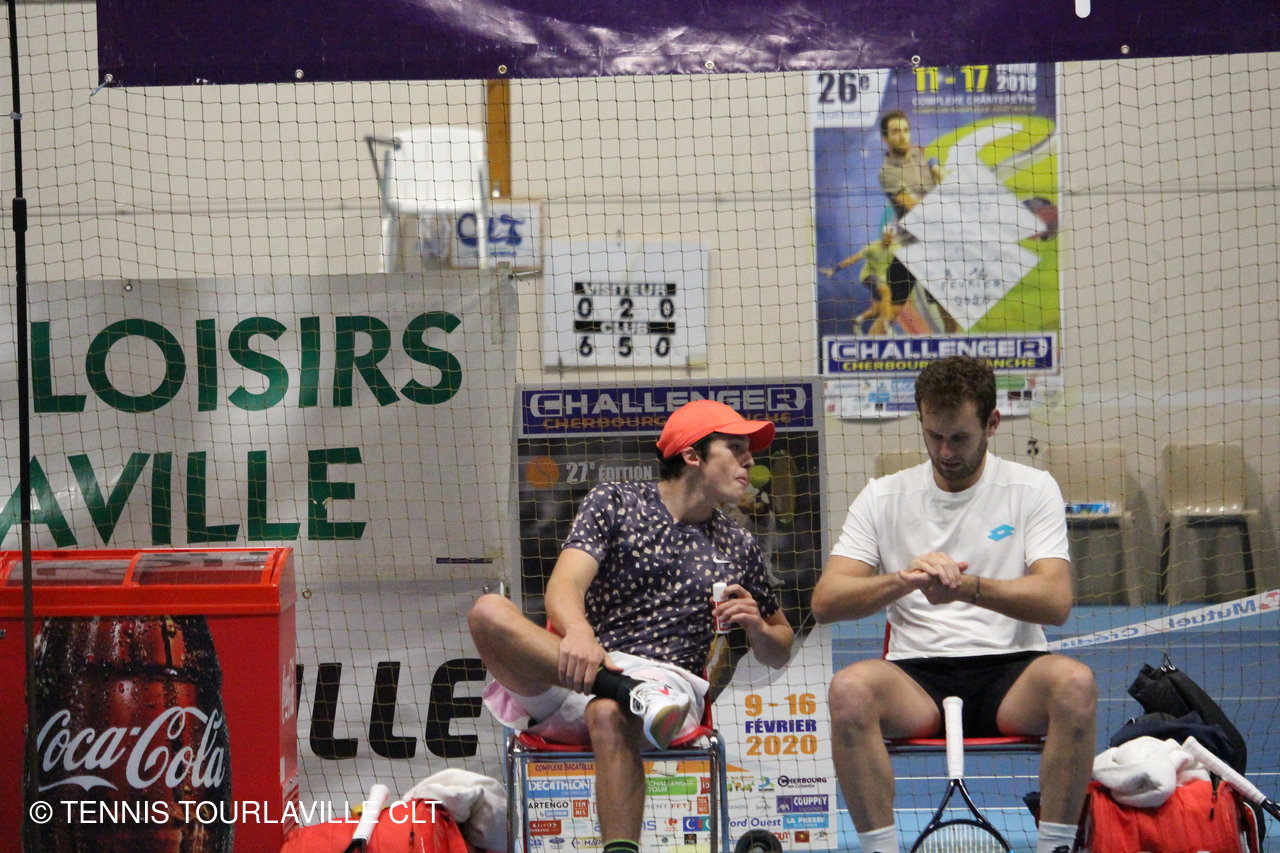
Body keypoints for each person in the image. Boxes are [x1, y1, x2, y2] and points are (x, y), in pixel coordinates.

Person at [470, 399, 795, 853]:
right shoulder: (615, 502)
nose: (750, 462)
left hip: (667, 688)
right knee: (487, 611)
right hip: (584, 669)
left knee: (608, 713)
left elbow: (781, 646)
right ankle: (624, 689)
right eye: (736, 448)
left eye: (749, 451)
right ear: (692, 455)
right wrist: (578, 632)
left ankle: (631, 701)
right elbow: (564, 585)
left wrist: (758, 626)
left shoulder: (738, 544)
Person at [812, 356, 1097, 853]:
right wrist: (904, 580)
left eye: (960, 438)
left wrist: (969, 588)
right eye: (934, 435)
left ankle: (1055, 848)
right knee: (849, 690)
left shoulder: (1032, 489)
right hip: (915, 681)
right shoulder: (882, 496)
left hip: (1013, 675)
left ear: (992, 423)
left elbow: (1055, 602)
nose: (945, 451)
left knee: (1076, 685)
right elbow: (826, 601)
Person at [821, 228, 904, 335]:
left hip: (881, 278)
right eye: (887, 236)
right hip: (868, 276)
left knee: (878, 308)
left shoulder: (897, 247)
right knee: (886, 292)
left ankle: (858, 320)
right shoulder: (872, 247)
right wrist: (834, 270)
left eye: (891, 237)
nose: (889, 239)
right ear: (883, 235)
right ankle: (887, 328)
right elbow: (853, 259)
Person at [878, 109, 942, 221]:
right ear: (885, 139)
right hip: (917, 229)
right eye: (896, 132)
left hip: (941, 220)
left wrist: (936, 168)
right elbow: (917, 208)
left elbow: (942, 176)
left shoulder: (918, 151)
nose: (903, 137)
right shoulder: (887, 173)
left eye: (906, 130)